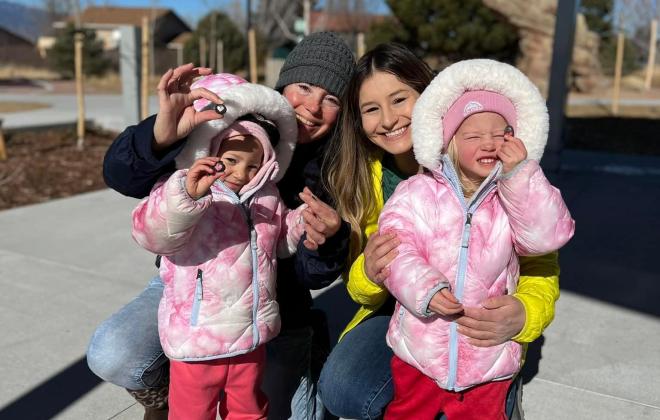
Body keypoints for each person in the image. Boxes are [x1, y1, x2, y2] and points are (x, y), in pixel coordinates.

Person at [86, 31, 356, 420]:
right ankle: (169, 391)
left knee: (282, 412)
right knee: (114, 352)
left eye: (331, 99)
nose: (313, 106)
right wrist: (162, 137)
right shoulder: (225, 119)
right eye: (304, 86)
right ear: (282, 85)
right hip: (191, 285)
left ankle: (308, 349)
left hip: (272, 306)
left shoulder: (332, 166)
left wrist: (325, 240)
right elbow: (120, 176)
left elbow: (308, 271)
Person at [319, 43, 562, 420]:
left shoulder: (495, 170)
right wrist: (368, 273)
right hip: (402, 315)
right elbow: (359, 286)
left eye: (400, 99)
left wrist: (525, 314)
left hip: (478, 320)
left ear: (431, 96)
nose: (388, 119)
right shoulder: (365, 177)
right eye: (371, 109)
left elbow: (540, 260)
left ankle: (492, 392)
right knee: (344, 389)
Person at [377, 59, 575, 419]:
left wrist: (521, 176)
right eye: (473, 136)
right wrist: (425, 290)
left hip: (487, 353)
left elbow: (547, 237)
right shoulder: (416, 193)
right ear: (449, 143)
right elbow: (396, 249)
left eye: (501, 134)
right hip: (422, 348)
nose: (489, 143)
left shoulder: (515, 198)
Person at [132, 74, 310, 419]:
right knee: (191, 412)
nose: (241, 173)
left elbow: (280, 243)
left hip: (249, 337)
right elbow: (152, 234)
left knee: (248, 410)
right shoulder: (187, 188)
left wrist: (302, 222)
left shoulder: (268, 196)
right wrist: (186, 196)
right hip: (198, 339)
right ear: (211, 151)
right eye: (230, 161)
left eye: (253, 165)